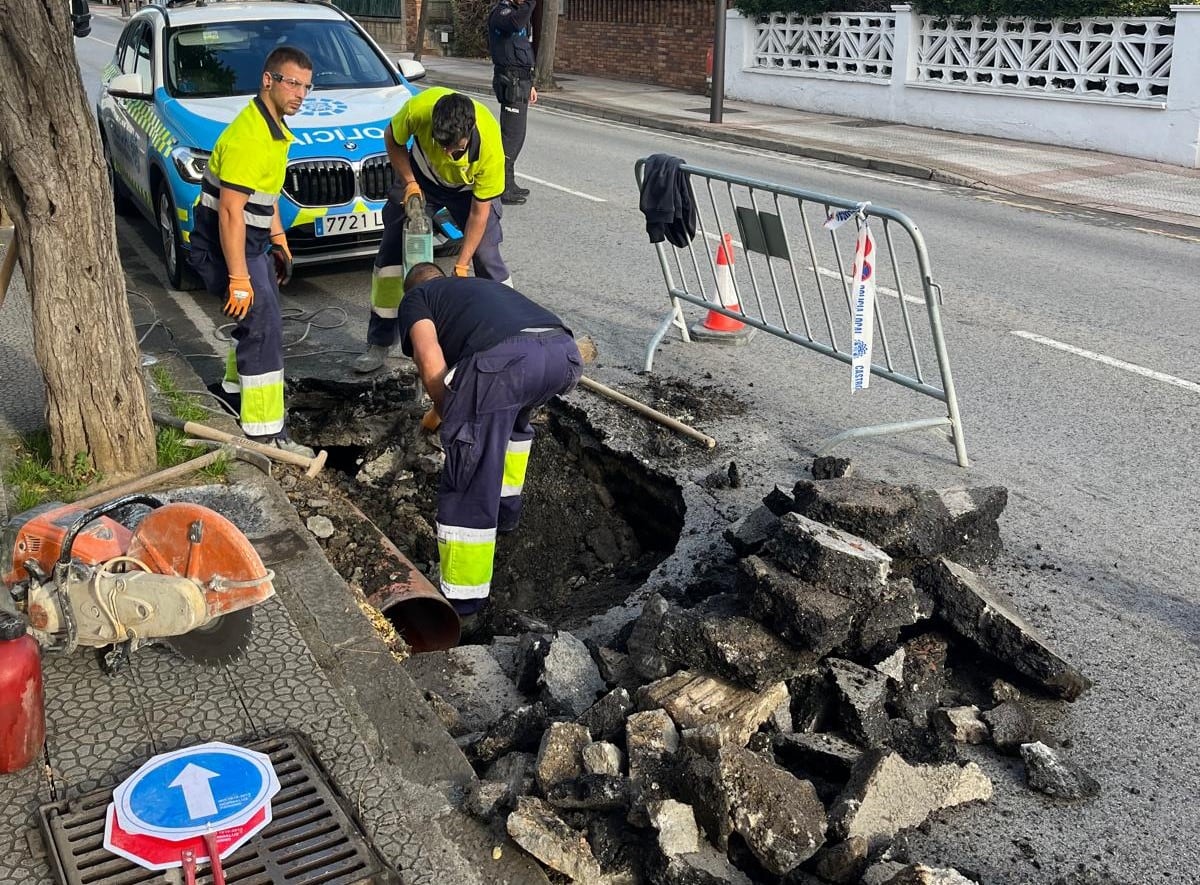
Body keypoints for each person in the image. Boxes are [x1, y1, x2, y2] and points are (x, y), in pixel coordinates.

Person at [398, 262, 583, 617]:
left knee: (471, 466)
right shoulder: (477, 288)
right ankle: (506, 516)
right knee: (511, 428)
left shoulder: (417, 297)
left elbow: (427, 354)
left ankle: (463, 602)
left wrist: (450, 413)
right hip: (563, 353)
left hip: (507, 363)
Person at [188, 47, 314, 457]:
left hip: (253, 241)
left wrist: (278, 239)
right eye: (292, 83)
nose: (300, 93)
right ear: (268, 80)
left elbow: (268, 194)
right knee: (263, 329)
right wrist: (239, 278)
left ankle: (231, 392)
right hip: (228, 243)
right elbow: (230, 212)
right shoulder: (250, 136)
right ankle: (263, 434)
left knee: (258, 321)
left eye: (306, 86)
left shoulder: (272, 127)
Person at [354, 88, 510, 374]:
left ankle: (507, 335)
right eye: (440, 144)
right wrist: (410, 182)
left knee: (486, 255)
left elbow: (479, 213)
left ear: (470, 130)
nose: (446, 153)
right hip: (422, 179)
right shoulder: (418, 110)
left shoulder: (490, 148)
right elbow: (392, 138)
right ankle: (379, 341)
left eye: (455, 148)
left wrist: (462, 264)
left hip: (467, 192)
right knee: (390, 250)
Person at [487, 0, 538, 205]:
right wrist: (530, 4)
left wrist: (531, 84)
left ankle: (510, 181)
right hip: (510, 81)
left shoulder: (519, 13)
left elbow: (523, 50)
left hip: (521, 81)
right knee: (510, 136)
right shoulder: (502, 13)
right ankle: (502, 187)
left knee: (517, 136)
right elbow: (515, 24)